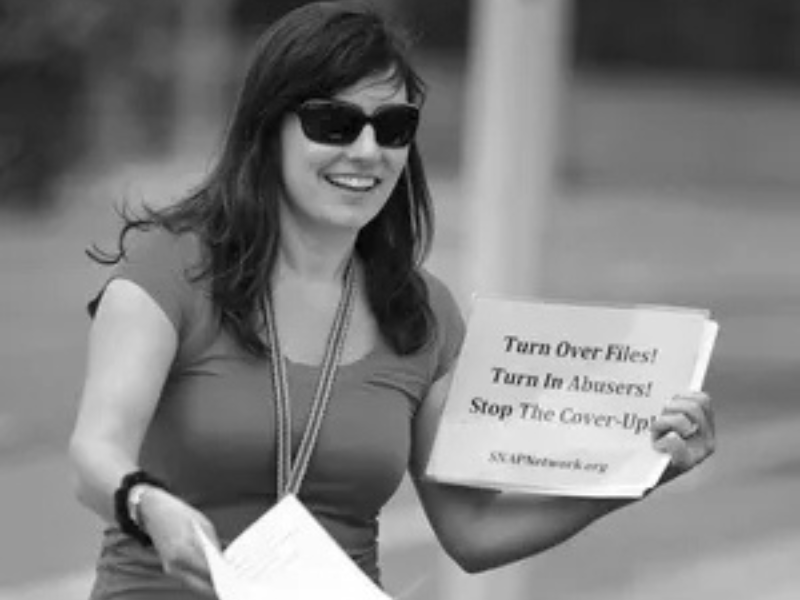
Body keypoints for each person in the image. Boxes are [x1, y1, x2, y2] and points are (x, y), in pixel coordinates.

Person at [68, 2, 716, 598]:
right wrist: (148, 504)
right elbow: (96, 452)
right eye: (333, 123)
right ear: (268, 129)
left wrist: (635, 473)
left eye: (392, 127)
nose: (366, 151)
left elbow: (473, 531)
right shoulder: (171, 271)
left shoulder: (421, 312)